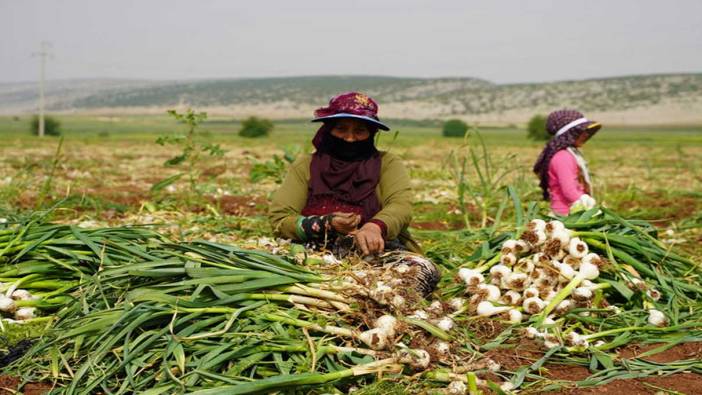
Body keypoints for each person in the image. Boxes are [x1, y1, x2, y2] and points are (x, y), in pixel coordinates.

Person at [268, 92, 438, 295]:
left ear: (371, 133)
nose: (349, 138)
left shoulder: (387, 163)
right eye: (341, 129)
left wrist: (374, 227)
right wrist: (327, 223)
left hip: (373, 252)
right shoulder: (306, 165)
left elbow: (401, 206)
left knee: (423, 271)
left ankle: (382, 301)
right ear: (328, 129)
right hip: (310, 253)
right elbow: (280, 217)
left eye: (360, 131)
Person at [533, 109, 602, 216]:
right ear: (569, 134)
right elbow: (569, 191)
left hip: (571, 212)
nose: (585, 135)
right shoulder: (563, 157)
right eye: (581, 132)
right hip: (567, 215)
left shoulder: (568, 154)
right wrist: (589, 206)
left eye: (586, 132)